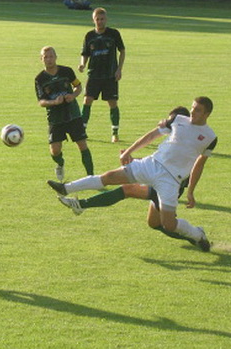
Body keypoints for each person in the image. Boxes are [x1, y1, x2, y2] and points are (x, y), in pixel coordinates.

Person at [48, 97, 217, 252]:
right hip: (151, 165)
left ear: (207, 114)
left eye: (198, 110)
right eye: (193, 108)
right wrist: (128, 152)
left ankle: (197, 235)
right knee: (110, 177)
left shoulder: (210, 137)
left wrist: (190, 191)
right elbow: (151, 136)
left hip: (172, 180)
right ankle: (66, 188)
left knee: (168, 224)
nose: (193, 112)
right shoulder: (178, 120)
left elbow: (199, 165)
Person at [36, 46, 94, 182]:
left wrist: (73, 95)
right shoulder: (40, 79)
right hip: (55, 118)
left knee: (82, 145)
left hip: (72, 114)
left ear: (56, 57)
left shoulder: (67, 71)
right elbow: (41, 101)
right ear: (41, 59)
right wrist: (54, 102)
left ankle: (91, 177)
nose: (49, 59)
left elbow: (78, 86)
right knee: (55, 151)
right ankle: (60, 164)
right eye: (46, 57)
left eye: (51, 56)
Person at [79, 7, 126, 143]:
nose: (99, 21)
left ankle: (115, 133)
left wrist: (119, 69)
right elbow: (85, 54)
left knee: (112, 103)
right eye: (97, 19)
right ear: (93, 20)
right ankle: (82, 131)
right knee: (87, 100)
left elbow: (122, 51)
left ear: (106, 19)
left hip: (110, 75)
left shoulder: (114, 34)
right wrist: (82, 64)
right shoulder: (89, 36)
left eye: (102, 19)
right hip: (93, 75)